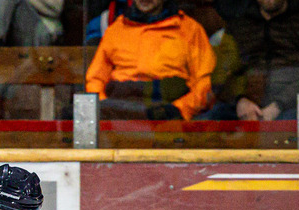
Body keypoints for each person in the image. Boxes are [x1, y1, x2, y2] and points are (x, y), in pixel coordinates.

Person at [85, 0, 216, 120]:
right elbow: (96, 79)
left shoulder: (190, 29)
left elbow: (204, 84)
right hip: (119, 108)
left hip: (167, 111)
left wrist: (178, 109)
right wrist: (101, 105)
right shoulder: (116, 29)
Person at [225, 0, 299, 121]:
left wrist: (278, 105)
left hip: (292, 104)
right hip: (245, 104)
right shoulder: (241, 25)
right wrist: (240, 100)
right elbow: (225, 74)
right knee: (209, 120)